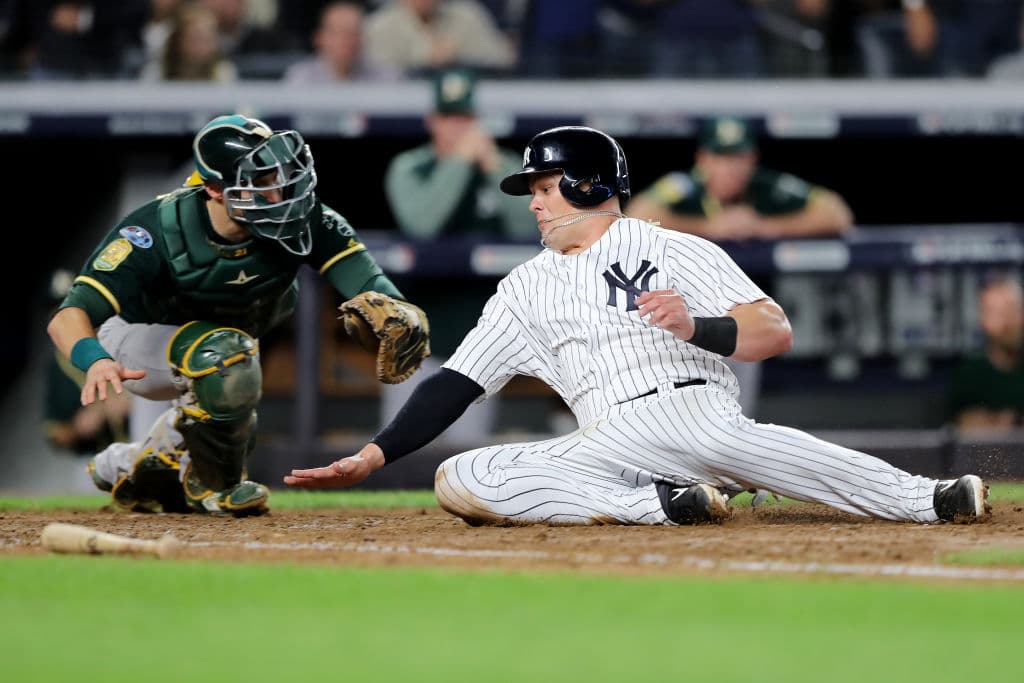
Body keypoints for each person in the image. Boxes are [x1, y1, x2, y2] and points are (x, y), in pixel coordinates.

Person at [285, 124, 991, 527]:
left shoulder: (672, 245)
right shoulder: (524, 284)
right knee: (462, 475)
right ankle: (662, 507)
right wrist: (375, 455)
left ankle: (927, 495)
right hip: (606, 440)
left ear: (591, 184)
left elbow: (773, 331)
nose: (533, 203)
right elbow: (458, 384)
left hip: (694, 405)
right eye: (530, 191)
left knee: (772, 450)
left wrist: (699, 326)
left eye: (543, 188)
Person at [47, 113, 430, 516]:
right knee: (225, 358)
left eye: (278, 175)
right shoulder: (155, 230)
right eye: (260, 181)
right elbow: (68, 316)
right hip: (136, 343)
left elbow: (376, 289)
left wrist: (401, 319)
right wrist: (96, 360)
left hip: (226, 351)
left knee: (224, 406)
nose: (279, 192)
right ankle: (218, 488)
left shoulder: (309, 219)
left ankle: (127, 463)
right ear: (215, 188)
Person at [626, 115, 854, 417]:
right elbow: (636, 216)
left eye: (739, 157)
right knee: (676, 410)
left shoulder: (765, 186)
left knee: (736, 411)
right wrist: (709, 225)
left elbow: (836, 213)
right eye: (721, 157)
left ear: (752, 159)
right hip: (682, 312)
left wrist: (765, 226)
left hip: (742, 314)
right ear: (703, 159)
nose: (731, 167)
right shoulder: (684, 186)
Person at [379, 66, 536, 445]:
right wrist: (458, 164)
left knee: (464, 458)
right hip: (417, 340)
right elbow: (423, 224)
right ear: (433, 121)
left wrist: (493, 168)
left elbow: (529, 228)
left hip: (479, 344)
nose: (457, 127)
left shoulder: (502, 166)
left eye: (464, 117)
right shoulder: (410, 166)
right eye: (449, 117)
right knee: (402, 452)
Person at [42, 269, 132, 455]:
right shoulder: (57, 367)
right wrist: (78, 427)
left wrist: (135, 402)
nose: (69, 318)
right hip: (100, 454)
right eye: (59, 311)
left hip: (147, 435)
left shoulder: (119, 335)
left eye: (72, 306)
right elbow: (55, 433)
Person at [948, 275, 1024, 433]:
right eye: (999, 314)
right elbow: (971, 433)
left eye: (1013, 311)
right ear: (983, 320)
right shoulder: (972, 374)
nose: (1008, 322)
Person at [282, 1, 399, 84]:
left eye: (354, 33)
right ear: (319, 38)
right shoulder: (300, 79)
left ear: (364, 39)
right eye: (338, 33)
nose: (347, 41)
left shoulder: (387, 79)